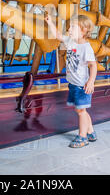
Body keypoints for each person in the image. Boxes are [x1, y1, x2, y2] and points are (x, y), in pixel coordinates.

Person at [45, 13, 98, 148]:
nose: (69, 30)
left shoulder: (86, 48)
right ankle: (91, 131)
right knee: (81, 109)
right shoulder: (70, 41)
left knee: (81, 111)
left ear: (84, 30)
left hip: (82, 86)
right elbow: (57, 35)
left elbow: (93, 65)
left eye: (72, 27)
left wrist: (91, 81)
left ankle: (82, 137)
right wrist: (50, 22)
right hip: (73, 84)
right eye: (69, 27)